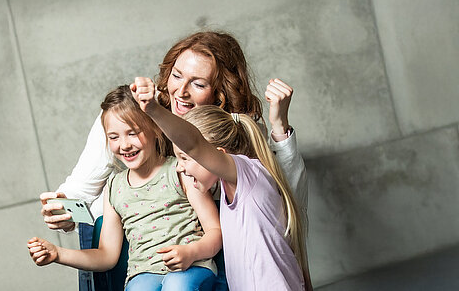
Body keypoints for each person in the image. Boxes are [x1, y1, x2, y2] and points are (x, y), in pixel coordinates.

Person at [40, 31, 308, 290]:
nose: (180, 91)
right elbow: (81, 189)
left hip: (207, 251)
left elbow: (285, 200)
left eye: (198, 83)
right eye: (176, 76)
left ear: (220, 94)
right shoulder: (133, 113)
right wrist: (66, 215)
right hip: (135, 250)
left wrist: (280, 127)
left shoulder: (235, 134)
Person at [28, 85, 222, 291]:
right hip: (143, 275)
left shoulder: (179, 171)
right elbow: (106, 256)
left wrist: (191, 252)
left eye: (133, 133)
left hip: (193, 267)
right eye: (114, 137)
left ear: (156, 129)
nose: (124, 145)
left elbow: (215, 231)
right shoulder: (114, 188)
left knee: (176, 285)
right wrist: (58, 253)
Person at [131, 77, 311, 290]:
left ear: (218, 155)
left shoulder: (248, 173)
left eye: (185, 158)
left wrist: (153, 109)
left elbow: (194, 143)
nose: (179, 167)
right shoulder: (229, 189)